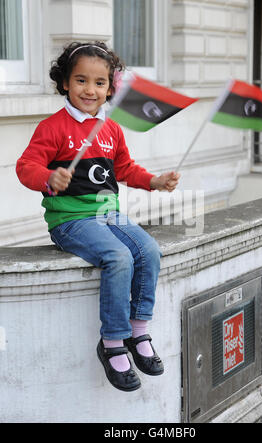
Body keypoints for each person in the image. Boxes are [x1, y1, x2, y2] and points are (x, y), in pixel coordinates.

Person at [16, 41, 180, 392]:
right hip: (71, 222)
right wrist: (47, 177)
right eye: (81, 80)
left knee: (149, 251)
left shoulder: (110, 129)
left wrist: (154, 181)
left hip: (108, 215)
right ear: (64, 83)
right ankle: (112, 342)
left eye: (99, 83)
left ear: (110, 88)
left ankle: (138, 331)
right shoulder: (53, 127)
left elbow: (124, 169)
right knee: (118, 256)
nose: (90, 90)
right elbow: (26, 167)